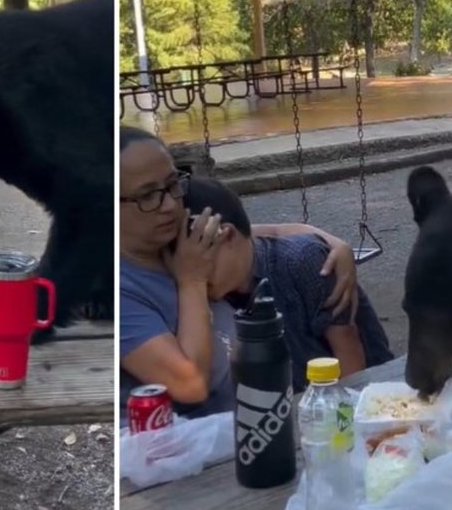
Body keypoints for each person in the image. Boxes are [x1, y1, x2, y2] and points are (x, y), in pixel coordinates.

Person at [118, 126, 361, 425]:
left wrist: (330, 241)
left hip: (263, 420)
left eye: (172, 185)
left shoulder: (173, 239)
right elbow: (190, 385)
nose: (169, 205)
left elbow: (247, 233)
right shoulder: (121, 288)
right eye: (147, 196)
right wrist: (192, 281)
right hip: (199, 448)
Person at [183, 176, 394, 386]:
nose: (191, 273)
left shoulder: (302, 261)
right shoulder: (208, 290)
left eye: (198, 259)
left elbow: (350, 358)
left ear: (226, 235)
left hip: (367, 394)